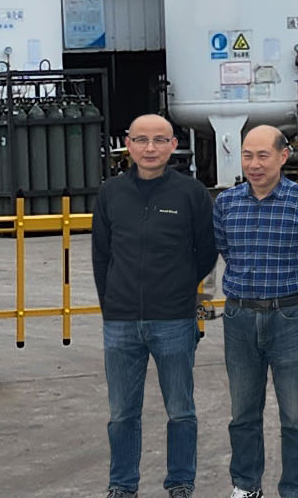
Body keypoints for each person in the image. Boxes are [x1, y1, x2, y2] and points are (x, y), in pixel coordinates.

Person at [94, 113, 218, 498]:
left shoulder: (191, 194)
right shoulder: (111, 193)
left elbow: (206, 252)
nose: (150, 148)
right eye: (142, 140)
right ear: (127, 144)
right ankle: (122, 485)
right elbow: (102, 255)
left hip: (174, 319)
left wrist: (184, 295)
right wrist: (111, 305)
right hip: (121, 321)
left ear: (173, 145)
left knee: (180, 409)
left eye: (160, 140)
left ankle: (180, 482)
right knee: (121, 413)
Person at [213, 124, 298, 498]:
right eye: (247, 155)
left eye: (263, 155)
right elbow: (225, 250)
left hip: (289, 319)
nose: (254, 164)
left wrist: (295, 293)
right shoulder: (226, 203)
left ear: (283, 156)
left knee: (295, 415)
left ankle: (294, 490)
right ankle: (246, 485)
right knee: (243, 413)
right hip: (239, 318)